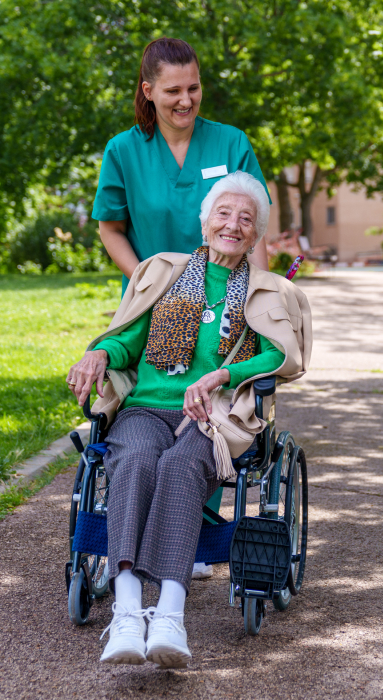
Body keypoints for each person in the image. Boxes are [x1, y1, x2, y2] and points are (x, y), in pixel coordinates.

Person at [67, 172, 311, 668]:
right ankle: (129, 611)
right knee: (133, 458)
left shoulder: (266, 292)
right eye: (224, 213)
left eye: (246, 219)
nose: (233, 225)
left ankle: (171, 616)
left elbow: (278, 358)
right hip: (147, 407)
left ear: (255, 234)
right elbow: (126, 340)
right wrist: (99, 354)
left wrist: (223, 373)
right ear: (205, 223)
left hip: (214, 416)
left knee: (180, 467)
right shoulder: (164, 273)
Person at [93, 36, 272, 577]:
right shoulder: (124, 150)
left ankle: (192, 528)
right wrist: (152, 285)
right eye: (172, 90)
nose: (186, 100)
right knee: (154, 401)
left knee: (208, 400)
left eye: (194, 87)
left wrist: (261, 298)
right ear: (148, 91)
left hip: (230, 293)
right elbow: (110, 227)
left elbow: (255, 222)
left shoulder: (230, 142)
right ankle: (144, 527)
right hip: (157, 299)